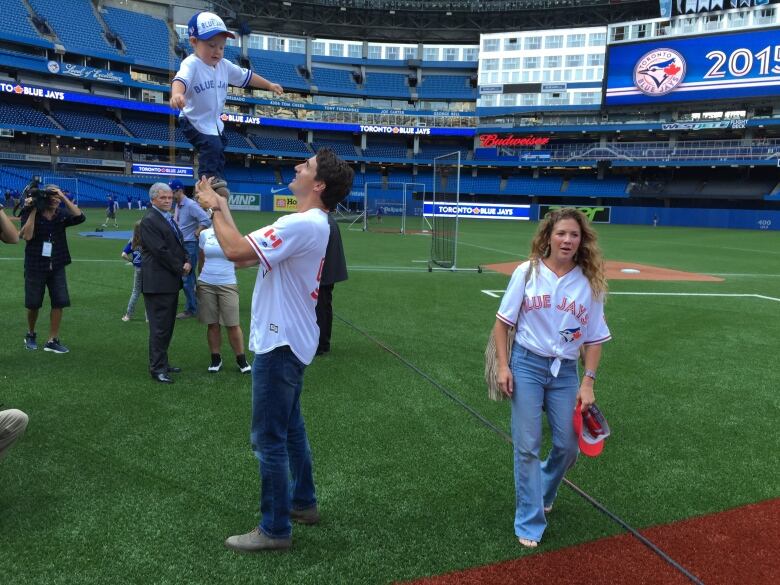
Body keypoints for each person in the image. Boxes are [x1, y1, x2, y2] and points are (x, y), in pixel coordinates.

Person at [195, 148, 354, 552]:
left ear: (318, 184)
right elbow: (246, 253)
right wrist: (223, 206)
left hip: (279, 339)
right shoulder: (310, 223)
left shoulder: (302, 224)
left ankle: (275, 528)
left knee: (268, 438)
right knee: (291, 430)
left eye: (307, 166)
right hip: (293, 337)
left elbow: (233, 253)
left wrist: (213, 208)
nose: (299, 167)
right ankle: (303, 503)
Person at [492, 207, 611, 549]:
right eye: (561, 233)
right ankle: (530, 519)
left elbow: (594, 339)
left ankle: (543, 487)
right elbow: (502, 324)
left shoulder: (590, 282)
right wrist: (503, 366)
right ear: (548, 237)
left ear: (581, 240)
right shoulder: (526, 272)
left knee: (568, 445)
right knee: (527, 446)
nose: (567, 240)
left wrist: (588, 381)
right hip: (527, 364)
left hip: (565, 372)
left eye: (574, 234)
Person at [170, 11, 283, 197]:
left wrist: (269, 85)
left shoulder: (224, 65)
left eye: (221, 47)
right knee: (211, 146)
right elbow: (180, 80)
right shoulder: (191, 64)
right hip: (193, 119)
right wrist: (177, 94)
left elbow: (247, 77)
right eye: (211, 45)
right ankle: (206, 184)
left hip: (214, 123)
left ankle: (216, 178)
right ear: (193, 42)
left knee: (220, 145)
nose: (217, 51)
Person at [19, 184, 85, 354]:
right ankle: (31, 334)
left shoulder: (61, 215)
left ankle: (52, 340)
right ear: (44, 198)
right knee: (33, 303)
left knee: (59, 301)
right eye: (52, 196)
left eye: (57, 196)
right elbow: (26, 235)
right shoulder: (30, 212)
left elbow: (80, 217)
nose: (56, 199)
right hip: (35, 265)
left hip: (57, 264)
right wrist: (34, 209)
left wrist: (63, 197)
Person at [140, 183, 191, 384]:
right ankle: (157, 368)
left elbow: (179, 243)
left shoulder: (165, 217)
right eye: (163, 198)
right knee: (160, 327)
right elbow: (160, 251)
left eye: (170, 197)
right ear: (153, 199)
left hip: (167, 281)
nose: (168, 201)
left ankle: (162, 362)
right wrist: (181, 267)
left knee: (166, 326)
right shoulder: (150, 220)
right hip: (158, 282)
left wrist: (186, 259)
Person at [197, 224, 251, 373]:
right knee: (212, 323)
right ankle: (216, 359)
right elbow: (201, 260)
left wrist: (229, 267)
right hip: (206, 282)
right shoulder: (204, 234)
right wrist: (198, 281)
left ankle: (241, 359)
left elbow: (242, 257)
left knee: (233, 324)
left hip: (228, 283)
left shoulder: (233, 234)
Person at [170, 179, 211, 319]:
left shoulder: (190, 205)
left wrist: (198, 231)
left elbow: (206, 219)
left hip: (189, 245)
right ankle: (197, 304)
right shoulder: (179, 205)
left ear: (179, 191)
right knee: (188, 277)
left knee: (186, 276)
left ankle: (192, 309)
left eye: (172, 192)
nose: (170, 195)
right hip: (181, 244)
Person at [315, 212, 347, 356]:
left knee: (321, 309)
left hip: (322, 274)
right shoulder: (327, 220)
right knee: (324, 308)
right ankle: (322, 343)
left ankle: (321, 344)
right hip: (326, 272)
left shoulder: (323, 222)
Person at [121, 220, 146, 322]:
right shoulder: (148, 240)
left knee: (135, 292)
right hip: (148, 269)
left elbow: (123, 254)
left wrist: (131, 261)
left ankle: (128, 315)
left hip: (138, 269)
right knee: (148, 293)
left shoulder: (133, 240)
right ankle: (148, 317)